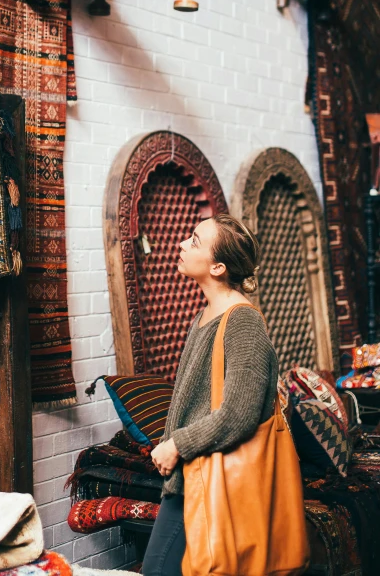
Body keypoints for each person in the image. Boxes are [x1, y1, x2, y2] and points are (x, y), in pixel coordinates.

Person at [142, 213, 279, 576]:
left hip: (212, 478)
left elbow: (239, 413)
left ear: (217, 267)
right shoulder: (204, 317)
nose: (182, 245)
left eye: (194, 241)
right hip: (194, 475)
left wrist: (176, 444)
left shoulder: (243, 322)